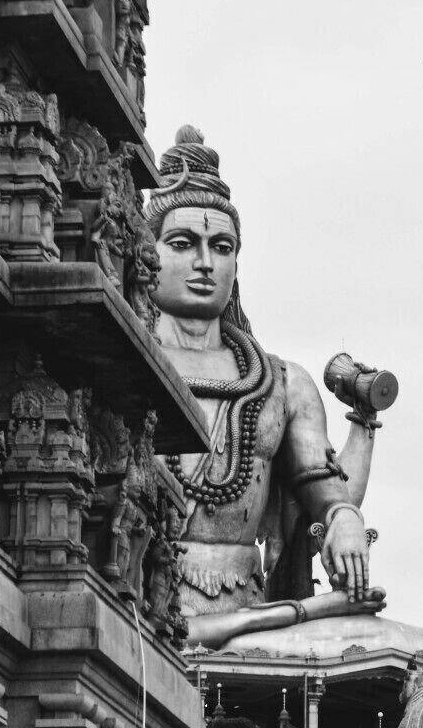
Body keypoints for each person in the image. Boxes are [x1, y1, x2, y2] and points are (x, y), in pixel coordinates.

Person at [144, 126, 384, 650]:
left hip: (255, 615)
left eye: (221, 246)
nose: (205, 263)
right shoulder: (126, 362)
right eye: (182, 244)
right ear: (146, 252)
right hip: (144, 603)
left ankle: (278, 619)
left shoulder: (281, 383)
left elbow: (325, 493)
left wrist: (344, 518)